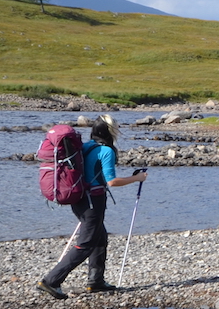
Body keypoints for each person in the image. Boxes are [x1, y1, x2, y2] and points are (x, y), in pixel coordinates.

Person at [36, 115, 146, 299]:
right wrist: (137, 178)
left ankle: (96, 281)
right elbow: (112, 182)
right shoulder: (106, 151)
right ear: (109, 131)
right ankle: (50, 281)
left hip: (78, 199)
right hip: (92, 202)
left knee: (100, 237)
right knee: (86, 244)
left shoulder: (85, 146)